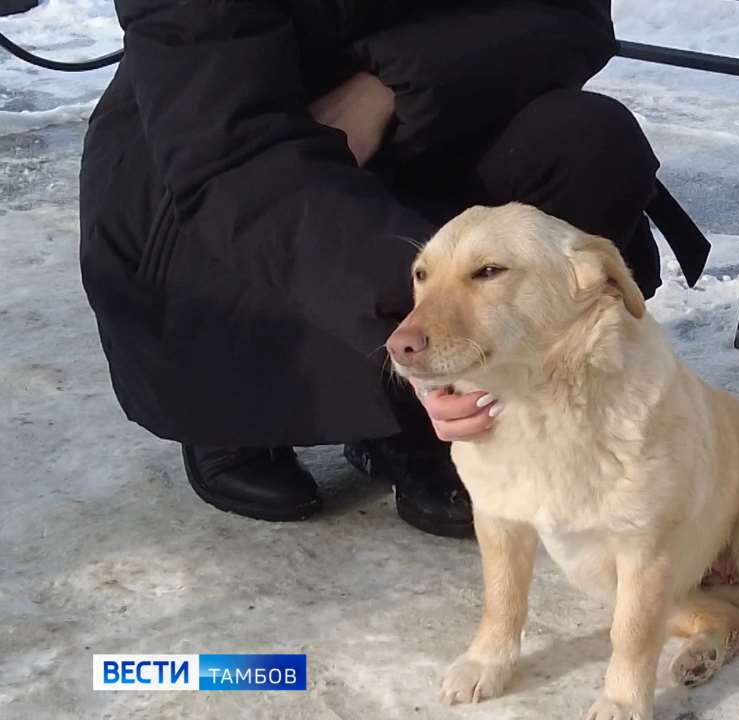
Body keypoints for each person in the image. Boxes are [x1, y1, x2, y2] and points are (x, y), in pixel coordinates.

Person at [78, 0, 707, 537]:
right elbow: (225, 152)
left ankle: (420, 421)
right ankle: (229, 411)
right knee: (243, 223)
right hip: (220, 166)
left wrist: (392, 86)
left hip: (425, 122)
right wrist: (429, 322)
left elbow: (573, 16)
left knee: (589, 143)